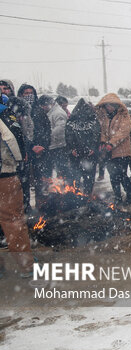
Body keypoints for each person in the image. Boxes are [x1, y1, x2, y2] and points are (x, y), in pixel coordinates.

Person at [0, 93, 34, 277]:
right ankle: (25, 266)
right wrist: (20, 159)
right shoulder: (4, 114)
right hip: (5, 174)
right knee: (13, 220)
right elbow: (11, 139)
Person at [95, 94, 131, 205]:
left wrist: (111, 143)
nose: (108, 108)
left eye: (110, 105)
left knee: (122, 175)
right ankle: (117, 197)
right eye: (107, 106)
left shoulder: (124, 116)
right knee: (113, 176)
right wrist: (103, 141)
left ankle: (129, 197)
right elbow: (103, 131)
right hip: (109, 152)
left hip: (122, 151)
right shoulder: (105, 117)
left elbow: (123, 132)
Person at [17, 84, 51, 210]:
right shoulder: (17, 111)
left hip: (40, 152)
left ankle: (41, 206)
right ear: (21, 95)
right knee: (24, 182)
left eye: (31, 93)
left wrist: (42, 146)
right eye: (26, 93)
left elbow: (47, 130)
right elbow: (17, 133)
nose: (29, 96)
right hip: (24, 153)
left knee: (40, 181)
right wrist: (29, 147)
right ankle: (26, 208)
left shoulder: (39, 111)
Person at [65, 99, 100, 195]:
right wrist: (72, 149)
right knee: (80, 177)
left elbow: (96, 135)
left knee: (82, 177)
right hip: (81, 154)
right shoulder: (93, 120)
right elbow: (69, 136)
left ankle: (84, 196)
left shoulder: (72, 121)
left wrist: (92, 148)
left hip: (85, 154)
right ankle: (80, 196)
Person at [38, 95, 69, 179]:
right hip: (52, 145)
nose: (43, 108)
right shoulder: (51, 112)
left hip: (58, 145)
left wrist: (47, 136)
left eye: (44, 105)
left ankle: (63, 185)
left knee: (60, 167)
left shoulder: (58, 113)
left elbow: (60, 128)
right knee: (51, 167)